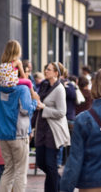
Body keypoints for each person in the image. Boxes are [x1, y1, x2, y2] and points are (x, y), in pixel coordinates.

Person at [0, 70, 39, 192]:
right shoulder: (22, 89)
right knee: (20, 171)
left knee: (8, 170)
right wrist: (35, 102)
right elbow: (26, 110)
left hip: (3, 136)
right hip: (19, 135)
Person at [34, 62, 70, 192]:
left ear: (56, 73)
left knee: (50, 164)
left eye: (49, 70)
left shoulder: (59, 89)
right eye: (46, 69)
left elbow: (62, 112)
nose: (46, 71)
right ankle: (59, 183)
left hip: (53, 131)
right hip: (41, 129)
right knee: (41, 162)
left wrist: (44, 108)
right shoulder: (44, 85)